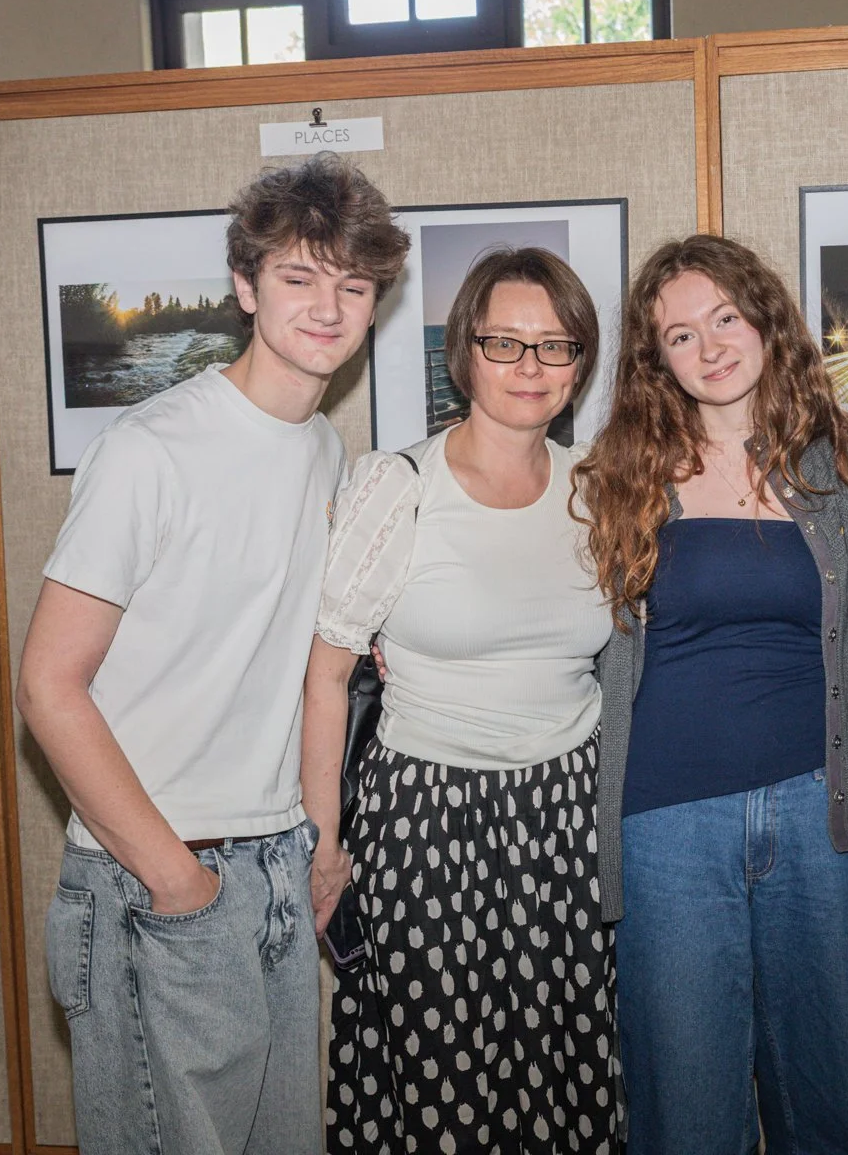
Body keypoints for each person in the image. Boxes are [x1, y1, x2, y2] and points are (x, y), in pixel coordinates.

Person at [17, 153, 410, 1155]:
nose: (329, 306)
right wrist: (176, 879)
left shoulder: (324, 448)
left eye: (353, 285)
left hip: (276, 861)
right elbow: (49, 685)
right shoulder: (152, 449)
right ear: (245, 285)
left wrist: (317, 840)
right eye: (299, 276)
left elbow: (296, 666)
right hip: (163, 876)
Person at [574, 233, 848, 1155]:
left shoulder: (843, 466)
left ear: (766, 323)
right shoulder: (623, 476)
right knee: (686, 1114)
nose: (710, 347)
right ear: (657, 361)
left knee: (824, 1105)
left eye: (724, 319)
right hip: (666, 831)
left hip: (828, 820)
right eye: (680, 336)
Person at [303, 247, 619, 1155]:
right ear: (463, 353)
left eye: (555, 346)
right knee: (441, 1071)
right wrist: (326, 844)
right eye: (505, 343)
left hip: (566, 816)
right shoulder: (395, 485)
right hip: (427, 818)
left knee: (566, 1067)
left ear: (580, 362)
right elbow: (326, 675)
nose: (530, 368)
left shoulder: (600, 489)